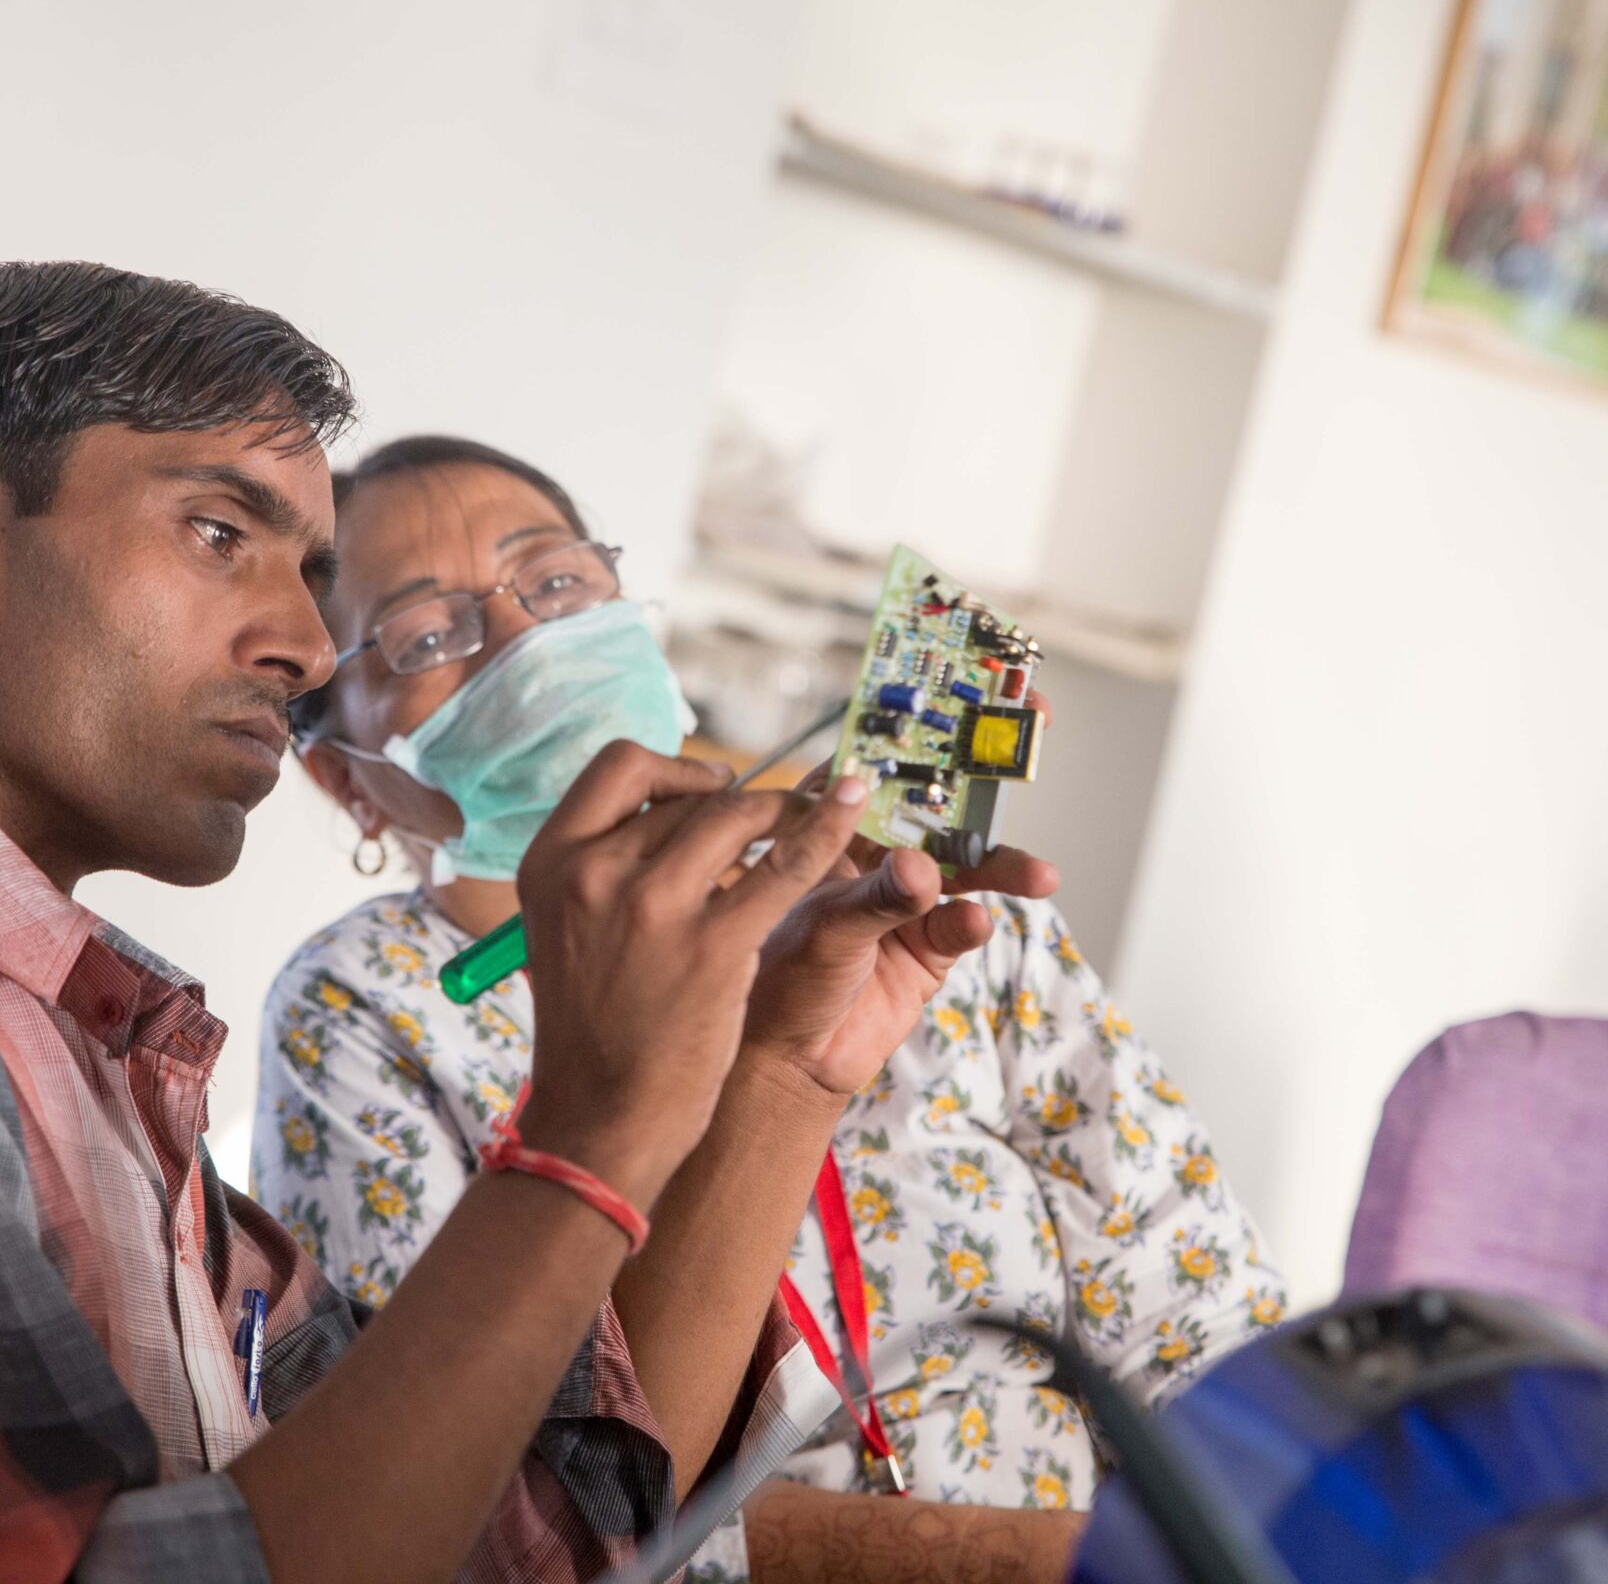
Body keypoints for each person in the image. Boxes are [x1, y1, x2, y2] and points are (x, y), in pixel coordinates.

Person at [0, 262, 945, 1584]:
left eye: (310, 575)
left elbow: (531, 1549)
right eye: (217, 531)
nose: (307, 645)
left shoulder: (104, 1065)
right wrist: (594, 1125)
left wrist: (775, 1074)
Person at [262, 435, 1288, 1583]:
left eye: (555, 583)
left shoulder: (919, 906)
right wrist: (1041, 1565)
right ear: (340, 771)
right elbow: (481, 1518)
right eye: (426, 634)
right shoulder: (369, 1008)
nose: (525, 640)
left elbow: (1202, 1326)